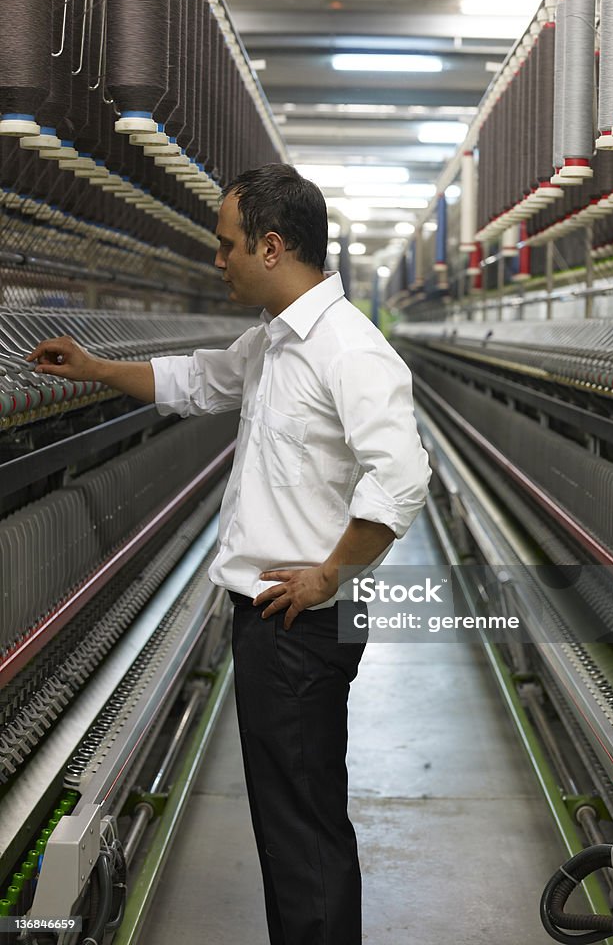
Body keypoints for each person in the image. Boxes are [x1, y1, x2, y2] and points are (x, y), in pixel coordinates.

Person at [28, 162, 432, 945]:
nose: (219, 261)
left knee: (303, 826)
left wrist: (328, 574)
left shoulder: (349, 350)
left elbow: (402, 476)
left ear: (272, 246)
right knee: (290, 825)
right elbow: (198, 380)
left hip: (299, 624)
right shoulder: (275, 344)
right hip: (273, 619)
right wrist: (98, 367)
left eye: (226, 245)